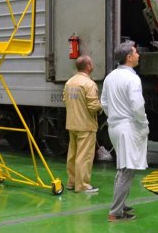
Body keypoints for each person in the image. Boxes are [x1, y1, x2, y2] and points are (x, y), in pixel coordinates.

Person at [100, 41, 150, 222]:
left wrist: (114, 115)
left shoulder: (110, 77)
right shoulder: (132, 79)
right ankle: (115, 212)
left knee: (123, 167)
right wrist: (143, 123)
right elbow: (137, 105)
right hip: (128, 127)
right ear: (129, 57)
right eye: (136, 52)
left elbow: (104, 102)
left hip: (115, 126)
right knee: (126, 170)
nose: (138, 55)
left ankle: (120, 204)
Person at [63, 54, 102, 194]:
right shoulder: (89, 84)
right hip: (86, 125)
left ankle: (72, 182)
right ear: (88, 66)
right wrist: (102, 106)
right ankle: (82, 185)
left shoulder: (69, 82)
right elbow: (93, 106)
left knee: (72, 155)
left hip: (72, 124)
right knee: (84, 156)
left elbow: (65, 100)